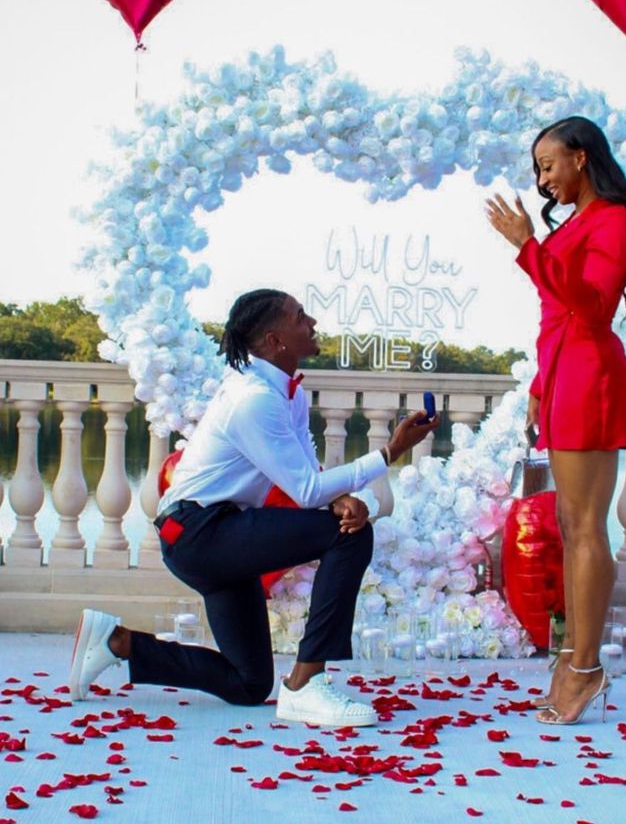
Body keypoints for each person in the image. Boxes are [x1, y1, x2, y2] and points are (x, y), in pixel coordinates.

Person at [69, 289, 438, 727]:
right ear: (274, 340)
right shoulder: (254, 398)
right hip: (197, 533)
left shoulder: (286, 394)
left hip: (221, 534)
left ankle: (118, 643)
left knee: (248, 684)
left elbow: (304, 472)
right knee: (348, 536)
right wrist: (390, 451)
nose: (312, 323)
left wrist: (340, 498)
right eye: (300, 317)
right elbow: (306, 490)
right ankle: (306, 684)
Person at [485, 116, 626, 726]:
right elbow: (555, 316)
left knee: (585, 526)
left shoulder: (613, 219)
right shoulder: (578, 221)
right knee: (568, 521)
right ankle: (572, 656)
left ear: (581, 158)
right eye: (537, 170)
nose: (542, 180)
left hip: (590, 377)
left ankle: (585, 667)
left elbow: (593, 305)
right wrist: (539, 384)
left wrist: (527, 247)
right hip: (562, 377)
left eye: (548, 165)